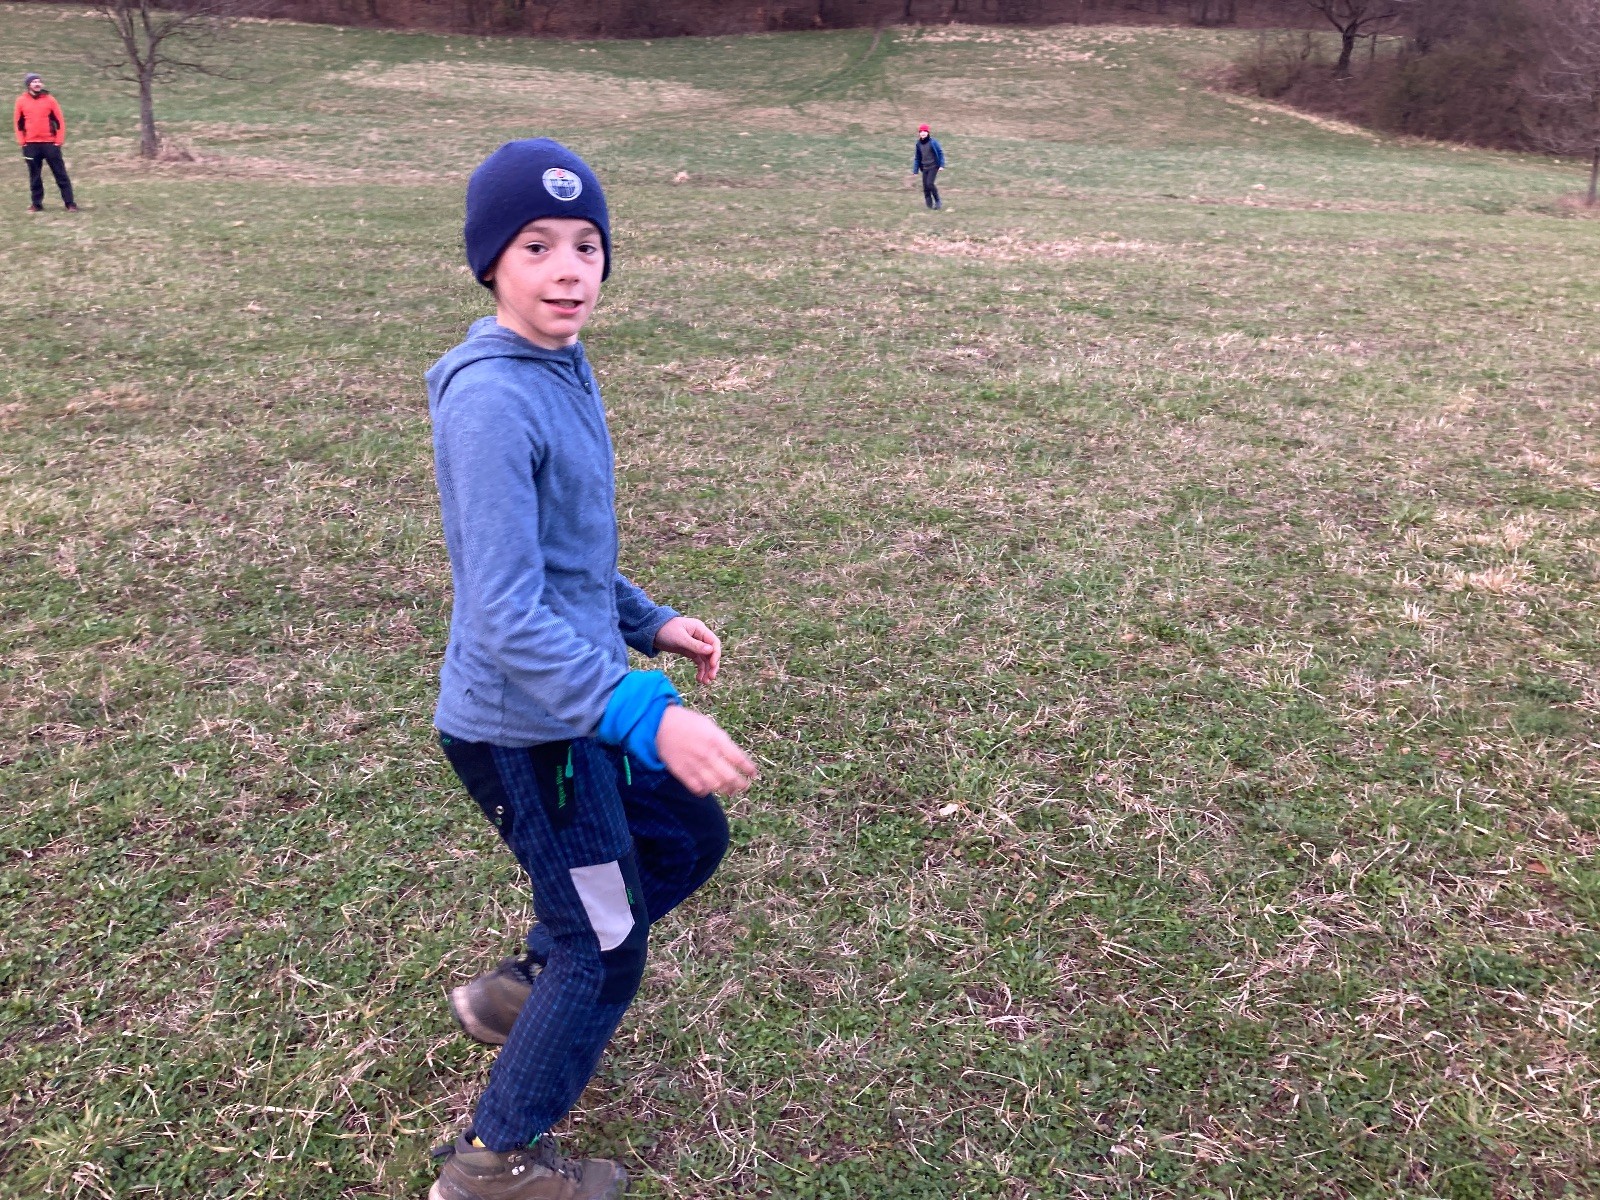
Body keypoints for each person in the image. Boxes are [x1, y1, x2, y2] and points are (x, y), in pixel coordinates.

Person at [424, 138, 759, 1200]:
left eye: (586, 245)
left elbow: (567, 557)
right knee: (607, 948)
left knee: (687, 838)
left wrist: (647, 621)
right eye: (537, 247)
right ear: (491, 263)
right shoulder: (491, 400)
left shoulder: (559, 366)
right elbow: (504, 611)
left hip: (574, 704)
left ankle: (529, 984)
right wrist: (645, 711)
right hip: (528, 729)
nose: (569, 271)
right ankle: (492, 1165)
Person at [15, 73, 76, 213]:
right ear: (28, 85)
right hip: (31, 145)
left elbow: (59, 121)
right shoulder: (21, 101)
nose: (37, 84)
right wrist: (22, 142)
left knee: (61, 174)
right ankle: (36, 204)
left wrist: (58, 141)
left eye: (39, 81)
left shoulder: (50, 100)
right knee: (34, 176)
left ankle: (70, 203)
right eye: (34, 82)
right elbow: (18, 123)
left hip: (50, 144)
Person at [911, 123, 945, 210]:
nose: (923, 133)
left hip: (933, 166)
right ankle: (929, 206)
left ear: (928, 132)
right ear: (919, 133)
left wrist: (941, 165)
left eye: (924, 131)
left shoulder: (933, 142)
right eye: (921, 131)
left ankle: (938, 201)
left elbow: (940, 153)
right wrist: (915, 170)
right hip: (924, 168)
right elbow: (917, 158)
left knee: (930, 183)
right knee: (925, 187)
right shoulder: (918, 144)